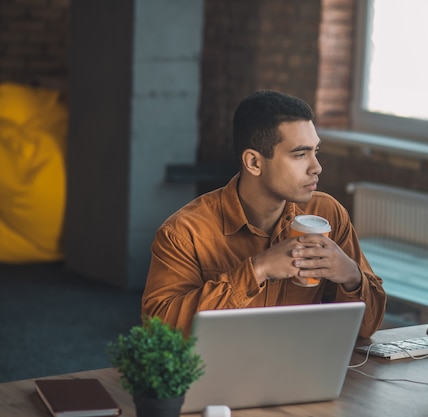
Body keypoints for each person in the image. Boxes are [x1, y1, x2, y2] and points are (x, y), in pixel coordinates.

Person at [141, 90, 386, 338]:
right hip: (220, 372)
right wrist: (258, 270)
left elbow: (367, 328)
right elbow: (158, 333)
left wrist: (351, 275)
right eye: (300, 154)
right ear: (254, 163)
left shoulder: (328, 214)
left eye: (316, 151)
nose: (317, 167)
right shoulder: (184, 232)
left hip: (301, 368)